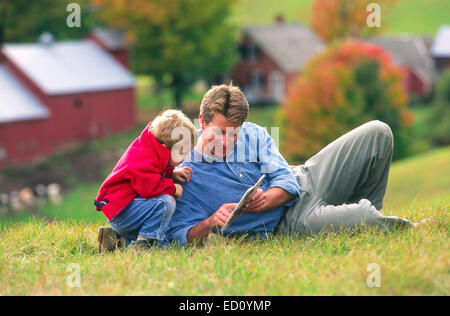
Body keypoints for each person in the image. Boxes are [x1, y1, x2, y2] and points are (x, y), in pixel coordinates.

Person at [167, 84, 437, 246]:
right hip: (289, 222)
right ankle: (399, 227)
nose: (228, 142)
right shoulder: (185, 171)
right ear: (202, 123)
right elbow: (180, 234)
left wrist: (266, 198)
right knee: (363, 217)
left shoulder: (253, 132)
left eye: (234, 135)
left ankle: (367, 222)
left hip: (307, 177)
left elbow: (285, 180)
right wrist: (211, 221)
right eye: (220, 134)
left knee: (378, 133)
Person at [96, 109, 195, 253]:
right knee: (165, 203)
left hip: (127, 210)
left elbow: (155, 172)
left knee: (159, 220)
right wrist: (172, 188)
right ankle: (145, 245)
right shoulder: (144, 157)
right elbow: (150, 188)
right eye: (182, 152)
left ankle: (113, 239)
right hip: (122, 213)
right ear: (166, 148)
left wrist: (172, 173)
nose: (185, 157)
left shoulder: (152, 148)